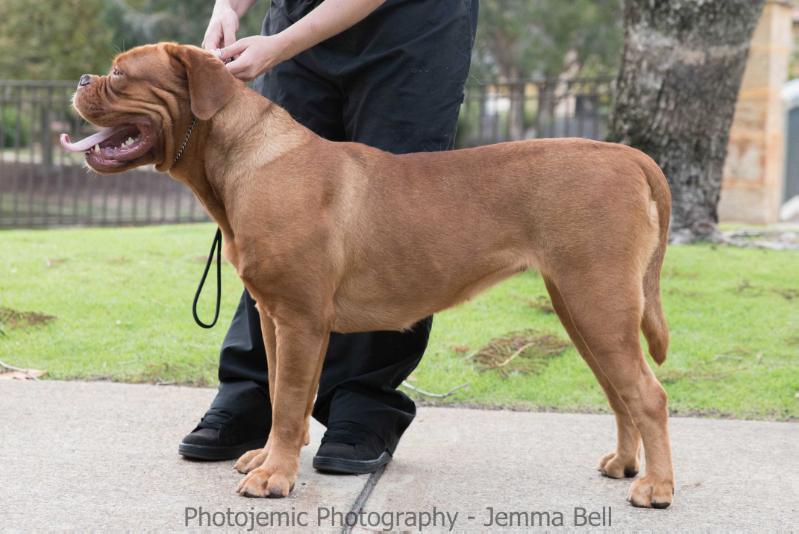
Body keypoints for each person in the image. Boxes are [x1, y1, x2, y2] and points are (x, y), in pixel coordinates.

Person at [179, 0, 479, 474]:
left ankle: (363, 406)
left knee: (392, 223)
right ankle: (256, 399)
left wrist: (281, 45)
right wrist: (227, 9)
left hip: (409, 32)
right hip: (294, 29)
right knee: (276, 228)